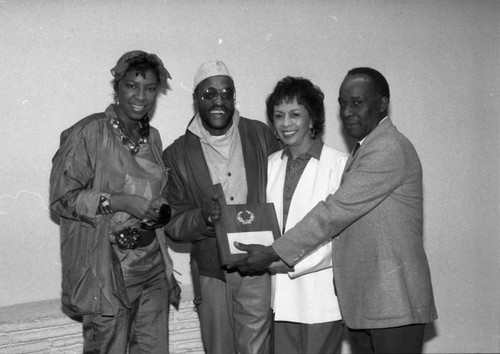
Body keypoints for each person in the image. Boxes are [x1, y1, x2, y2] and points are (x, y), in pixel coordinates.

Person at [229, 67, 438, 354]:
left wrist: (274, 253)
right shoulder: (364, 150)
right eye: (342, 103)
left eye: (357, 102)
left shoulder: (387, 148)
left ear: (381, 104)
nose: (348, 111)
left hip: (392, 302)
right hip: (367, 304)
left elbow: (333, 213)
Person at [50, 50, 180, 354]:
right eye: (132, 86)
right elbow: (62, 199)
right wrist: (118, 202)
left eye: (150, 88)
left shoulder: (154, 138)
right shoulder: (90, 132)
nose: (141, 96)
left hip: (152, 266)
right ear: (117, 88)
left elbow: (154, 193)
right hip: (108, 267)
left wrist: (157, 211)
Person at [162, 60, 281, 354]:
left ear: (234, 98)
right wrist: (202, 217)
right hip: (211, 270)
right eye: (209, 94)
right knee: (219, 348)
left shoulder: (261, 136)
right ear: (196, 99)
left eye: (227, 94)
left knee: (258, 348)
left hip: (258, 267)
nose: (219, 101)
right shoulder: (177, 154)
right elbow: (172, 222)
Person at [265, 76, 348, 354]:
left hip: (319, 297)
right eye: (279, 116)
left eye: (295, 114)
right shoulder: (269, 166)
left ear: (313, 119)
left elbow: (341, 236)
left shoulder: (339, 165)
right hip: (279, 298)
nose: (285, 123)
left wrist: (288, 262)